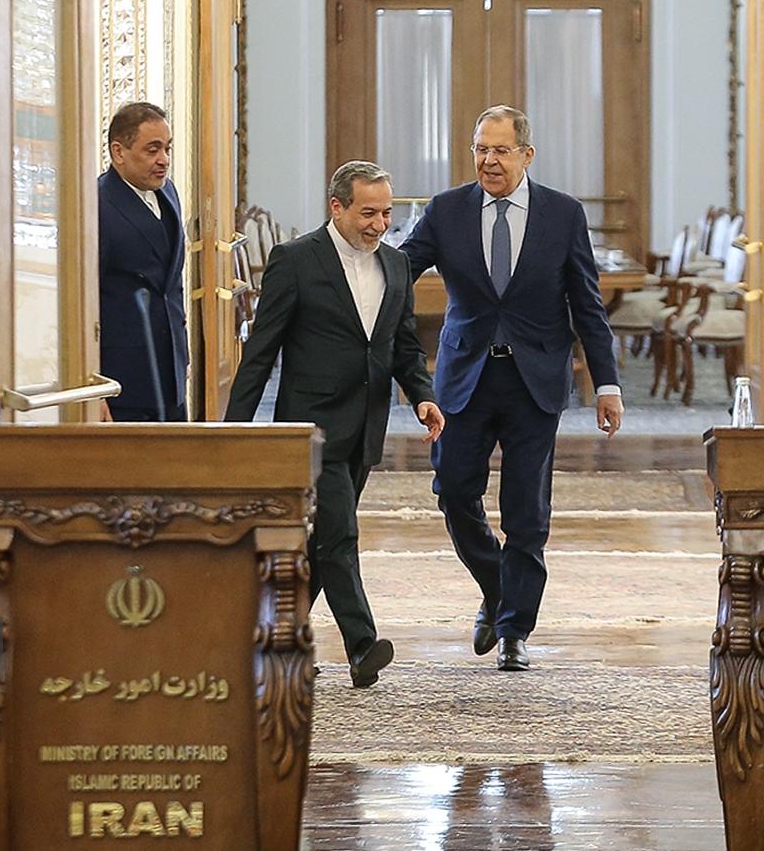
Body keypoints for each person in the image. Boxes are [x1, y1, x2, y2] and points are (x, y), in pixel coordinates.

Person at [400, 106, 624, 673]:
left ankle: (514, 630)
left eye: (500, 150)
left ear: (527, 154)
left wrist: (607, 383)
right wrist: (346, 258)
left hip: (534, 380)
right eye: (480, 149)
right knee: (454, 490)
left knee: (526, 511)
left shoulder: (562, 214)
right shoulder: (446, 210)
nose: (489, 161)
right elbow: (398, 271)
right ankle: (498, 587)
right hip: (464, 377)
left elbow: (587, 304)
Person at [225, 162, 444, 688]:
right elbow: (262, 350)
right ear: (337, 207)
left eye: (386, 213)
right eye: (368, 213)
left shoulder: (397, 265)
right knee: (340, 533)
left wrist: (422, 396)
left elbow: (403, 345)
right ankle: (362, 647)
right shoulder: (296, 260)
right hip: (312, 428)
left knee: (322, 546)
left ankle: (271, 635)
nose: (379, 225)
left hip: (365, 425)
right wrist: (234, 431)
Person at [98, 103, 188, 422]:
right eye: (152, 150)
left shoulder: (168, 193)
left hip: (171, 373)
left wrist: (182, 357)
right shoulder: (98, 204)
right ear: (119, 152)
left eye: (167, 148)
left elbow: (170, 284)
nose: (164, 159)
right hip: (124, 381)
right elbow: (82, 303)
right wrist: (94, 387)